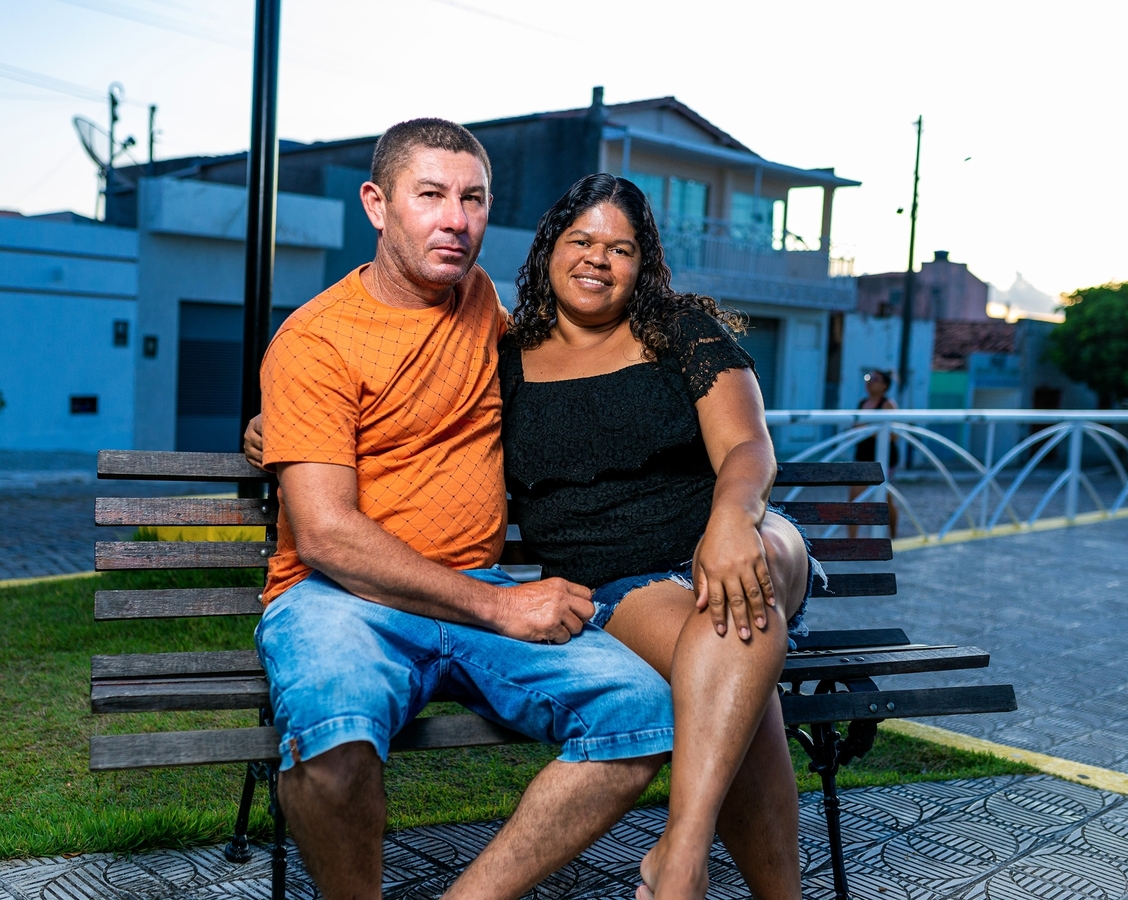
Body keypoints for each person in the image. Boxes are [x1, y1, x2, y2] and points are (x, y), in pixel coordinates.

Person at [248, 120, 674, 900]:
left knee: (639, 711)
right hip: (343, 601)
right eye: (431, 196)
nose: (456, 219)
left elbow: (574, 386)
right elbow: (327, 536)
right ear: (377, 204)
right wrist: (501, 607)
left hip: (473, 590)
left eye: (473, 198)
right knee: (335, 753)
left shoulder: (484, 308)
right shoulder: (315, 341)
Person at [498, 173, 814, 900]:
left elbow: (748, 448)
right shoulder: (506, 358)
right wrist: (284, 428)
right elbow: (410, 412)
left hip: (739, 535)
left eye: (621, 247)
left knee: (749, 578)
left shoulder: (678, 330)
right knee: (741, 642)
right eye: (582, 240)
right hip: (624, 582)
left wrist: (730, 522)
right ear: (550, 249)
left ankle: (679, 857)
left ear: (644, 265)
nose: (598, 259)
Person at [849, 369, 899, 538]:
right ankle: (851, 541)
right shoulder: (862, 403)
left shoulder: (887, 404)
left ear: (884, 385)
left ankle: (893, 535)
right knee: (854, 500)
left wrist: (869, 430)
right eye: (867, 378)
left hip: (883, 459)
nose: (869, 382)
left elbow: (894, 435)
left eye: (874, 379)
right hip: (863, 456)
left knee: (885, 500)